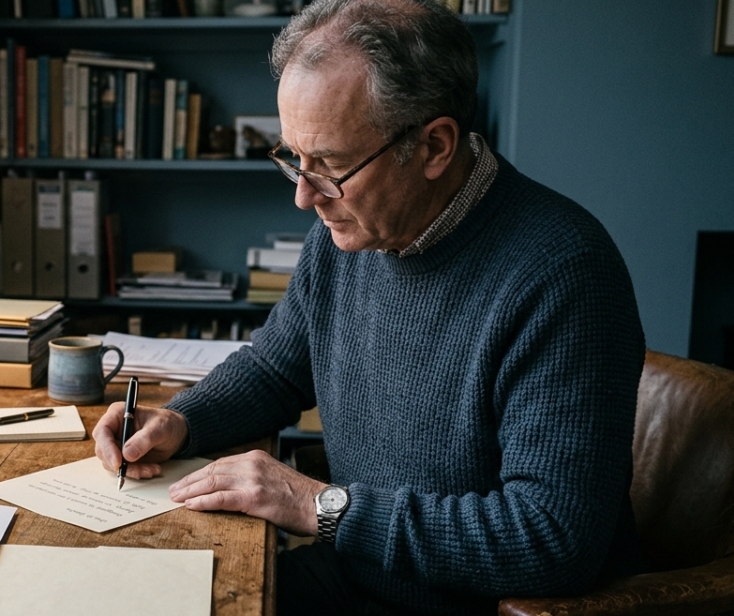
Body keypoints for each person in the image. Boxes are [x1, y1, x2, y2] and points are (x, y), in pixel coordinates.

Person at [93, 0, 646, 614]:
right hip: (358, 575)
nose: (305, 197)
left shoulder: (563, 271)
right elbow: (276, 370)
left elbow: (551, 537)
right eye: (293, 161)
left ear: (434, 146)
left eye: (329, 165)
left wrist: (316, 506)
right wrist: (180, 421)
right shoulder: (351, 231)